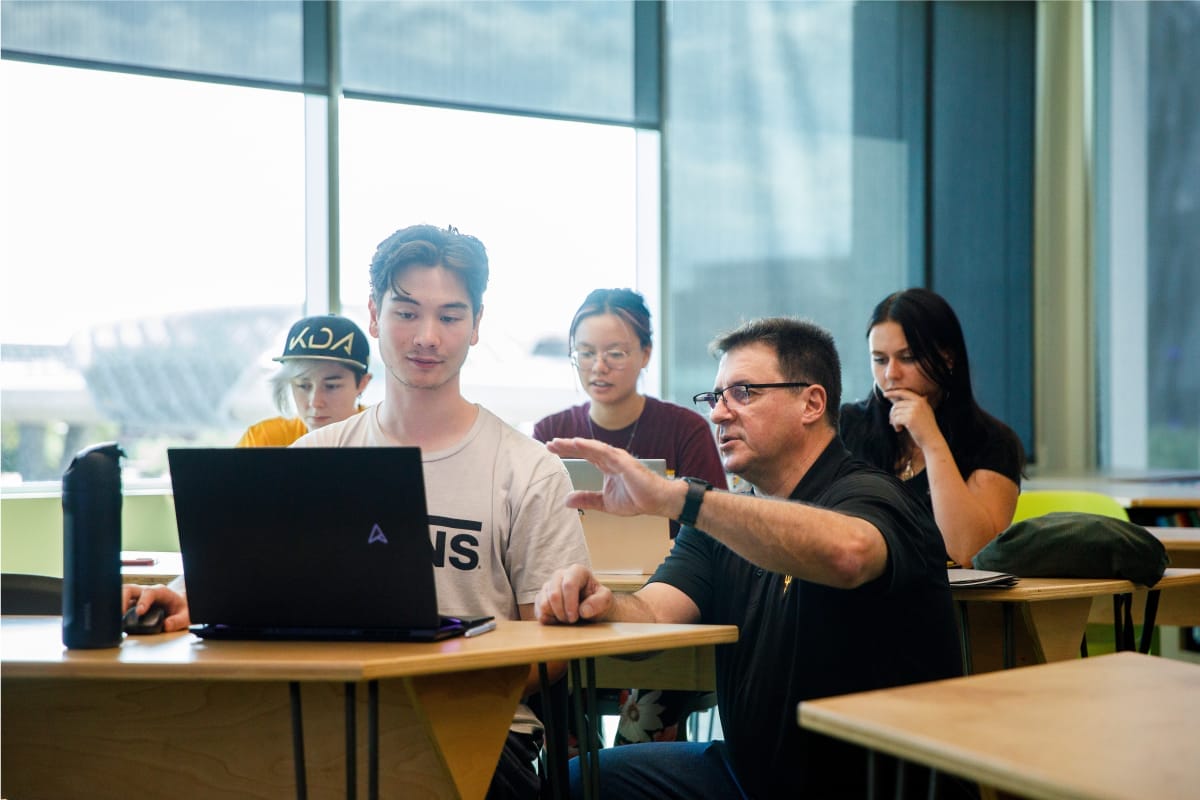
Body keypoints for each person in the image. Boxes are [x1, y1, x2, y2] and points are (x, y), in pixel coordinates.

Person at [125, 224, 591, 800]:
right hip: (319, 721)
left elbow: (553, 652)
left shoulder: (529, 469)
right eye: (406, 312)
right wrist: (185, 593)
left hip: (479, 735)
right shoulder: (312, 459)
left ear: (475, 325)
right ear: (374, 316)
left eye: (449, 316)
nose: (427, 337)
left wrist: (444, 692)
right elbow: (246, 580)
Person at [534, 316, 963, 800]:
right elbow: (652, 615)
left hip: (867, 787)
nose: (719, 414)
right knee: (579, 784)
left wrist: (680, 498)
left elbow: (850, 553)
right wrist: (601, 601)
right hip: (748, 776)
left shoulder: (869, 494)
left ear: (812, 402)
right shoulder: (719, 521)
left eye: (744, 392)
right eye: (715, 397)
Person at [533, 288, 727, 746]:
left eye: (615, 353)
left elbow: (712, 529)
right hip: (577, 603)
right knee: (552, 694)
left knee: (646, 718)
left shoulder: (685, 430)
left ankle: (627, 774)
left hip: (664, 602)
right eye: (584, 353)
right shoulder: (551, 434)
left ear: (645, 354)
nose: (597, 366)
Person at [839, 288, 1025, 566]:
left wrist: (931, 441)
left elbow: (970, 552)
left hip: (946, 602)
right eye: (879, 359)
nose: (891, 374)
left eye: (908, 357)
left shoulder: (992, 441)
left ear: (947, 358)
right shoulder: (848, 425)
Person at [235, 313, 372, 447]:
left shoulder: (381, 437)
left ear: (362, 383)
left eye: (331, 386)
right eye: (303, 386)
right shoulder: (264, 441)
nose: (315, 402)